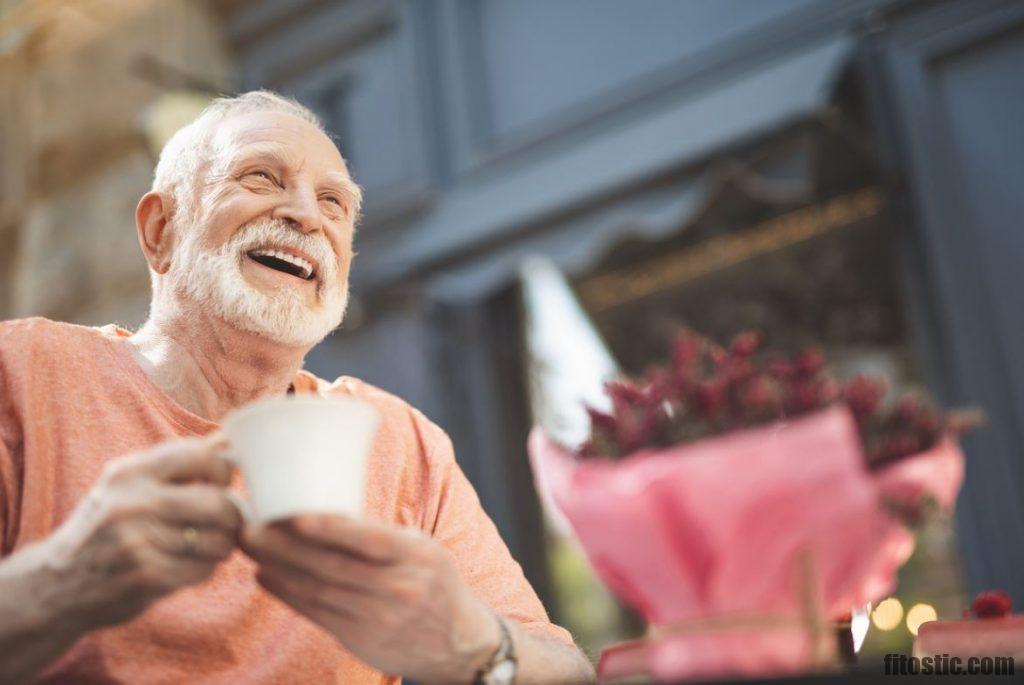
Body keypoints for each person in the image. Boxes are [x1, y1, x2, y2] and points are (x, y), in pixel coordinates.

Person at [0, 91, 595, 685]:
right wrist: (62, 580)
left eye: (334, 203)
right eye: (261, 178)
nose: (306, 216)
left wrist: (471, 641)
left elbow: (569, 673)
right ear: (161, 230)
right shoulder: (21, 373)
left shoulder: (401, 442)